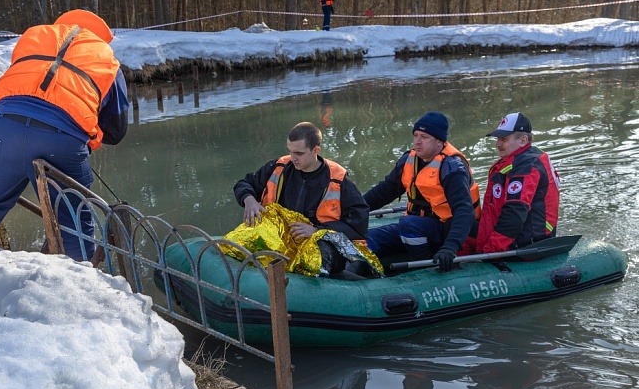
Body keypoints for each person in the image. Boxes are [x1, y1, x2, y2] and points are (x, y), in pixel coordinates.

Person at [0, 9, 129, 261]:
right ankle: (77, 289)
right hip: (61, 138)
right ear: (100, 38)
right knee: (71, 222)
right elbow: (116, 131)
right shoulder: (106, 60)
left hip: (3, 126)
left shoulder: (33, 39)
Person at [233, 121, 369, 272]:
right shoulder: (279, 167)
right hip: (279, 236)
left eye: (299, 153)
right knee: (239, 243)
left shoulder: (338, 179)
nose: (293, 158)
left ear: (315, 150)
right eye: (290, 151)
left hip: (317, 242)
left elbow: (358, 225)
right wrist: (249, 199)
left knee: (319, 258)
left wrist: (317, 230)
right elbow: (244, 184)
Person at [363, 112, 480, 272]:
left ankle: (426, 267)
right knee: (369, 238)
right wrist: (353, 209)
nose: (417, 142)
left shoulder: (452, 167)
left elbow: (464, 211)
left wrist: (450, 247)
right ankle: (356, 270)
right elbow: (382, 193)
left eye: (424, 137)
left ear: (439, 141)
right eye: (416, 135)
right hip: (418, 225)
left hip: (446, 229)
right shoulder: (409, 160)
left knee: (409, 224)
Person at [468, 112, 560, 254]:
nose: (498, 144)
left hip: (525, 245)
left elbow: (514, 214)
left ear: (523, 140)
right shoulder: (518, 160)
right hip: (517, 237)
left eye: (503, 139)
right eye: (498, 138)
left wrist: (490, 251)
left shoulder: (526, 166)